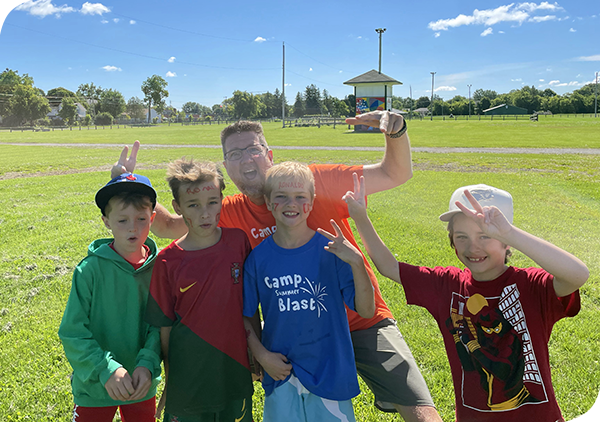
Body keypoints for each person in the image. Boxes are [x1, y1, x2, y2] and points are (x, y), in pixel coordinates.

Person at [114, 111, 442, 422]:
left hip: (360, 318)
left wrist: (396, 130)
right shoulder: (222, 210)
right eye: (235, 154)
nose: (245, 159)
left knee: (419, 408)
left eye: (253, 149)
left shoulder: (311, 182)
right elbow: (171, 224)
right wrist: (125, 182)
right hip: (294, 333)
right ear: (226, 167)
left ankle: (388, 392)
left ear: (269, 154)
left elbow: (395, 173)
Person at [343, 177, 589, 422]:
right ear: (451, 240)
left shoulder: (531, 286)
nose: (473, 248)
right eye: (462, 236)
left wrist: (510, 233)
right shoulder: (448, 285)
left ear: (506, 243)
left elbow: (577, 274)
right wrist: (361, 217)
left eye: (485, 236)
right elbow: (390, 267)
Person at [242, 161, 374, 421]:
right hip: (281, 373)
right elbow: (246, 314)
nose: (291, 204)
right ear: (268, 202)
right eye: (281, 197)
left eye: (300, 197)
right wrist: (261, 355)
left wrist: (357, 263)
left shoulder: (332, 251)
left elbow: (367, 310)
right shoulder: (258, 259)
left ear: (311, 202)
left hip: (329, 372)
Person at [144, 158, 255, 422]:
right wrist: (170, 381)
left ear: (221, 200)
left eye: (212, 203)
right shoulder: (167, 260)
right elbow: (165, 327)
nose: (205, 213)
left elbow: (249, 305)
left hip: (233, 369)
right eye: (193, 205)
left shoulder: (238, 242)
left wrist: (255, 353)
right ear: (177, 207)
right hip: (188, 376)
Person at [58, 172, 161, 422]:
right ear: (106, 221)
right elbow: (72, 332)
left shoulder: (160, 269)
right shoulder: (89, 270)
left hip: (141, 384)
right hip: (94, 386)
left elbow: (160, 325)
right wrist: (105, 370)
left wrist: (147, 364)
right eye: (122, 220)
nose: (133, 228)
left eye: (141, 219)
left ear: (153, 218)